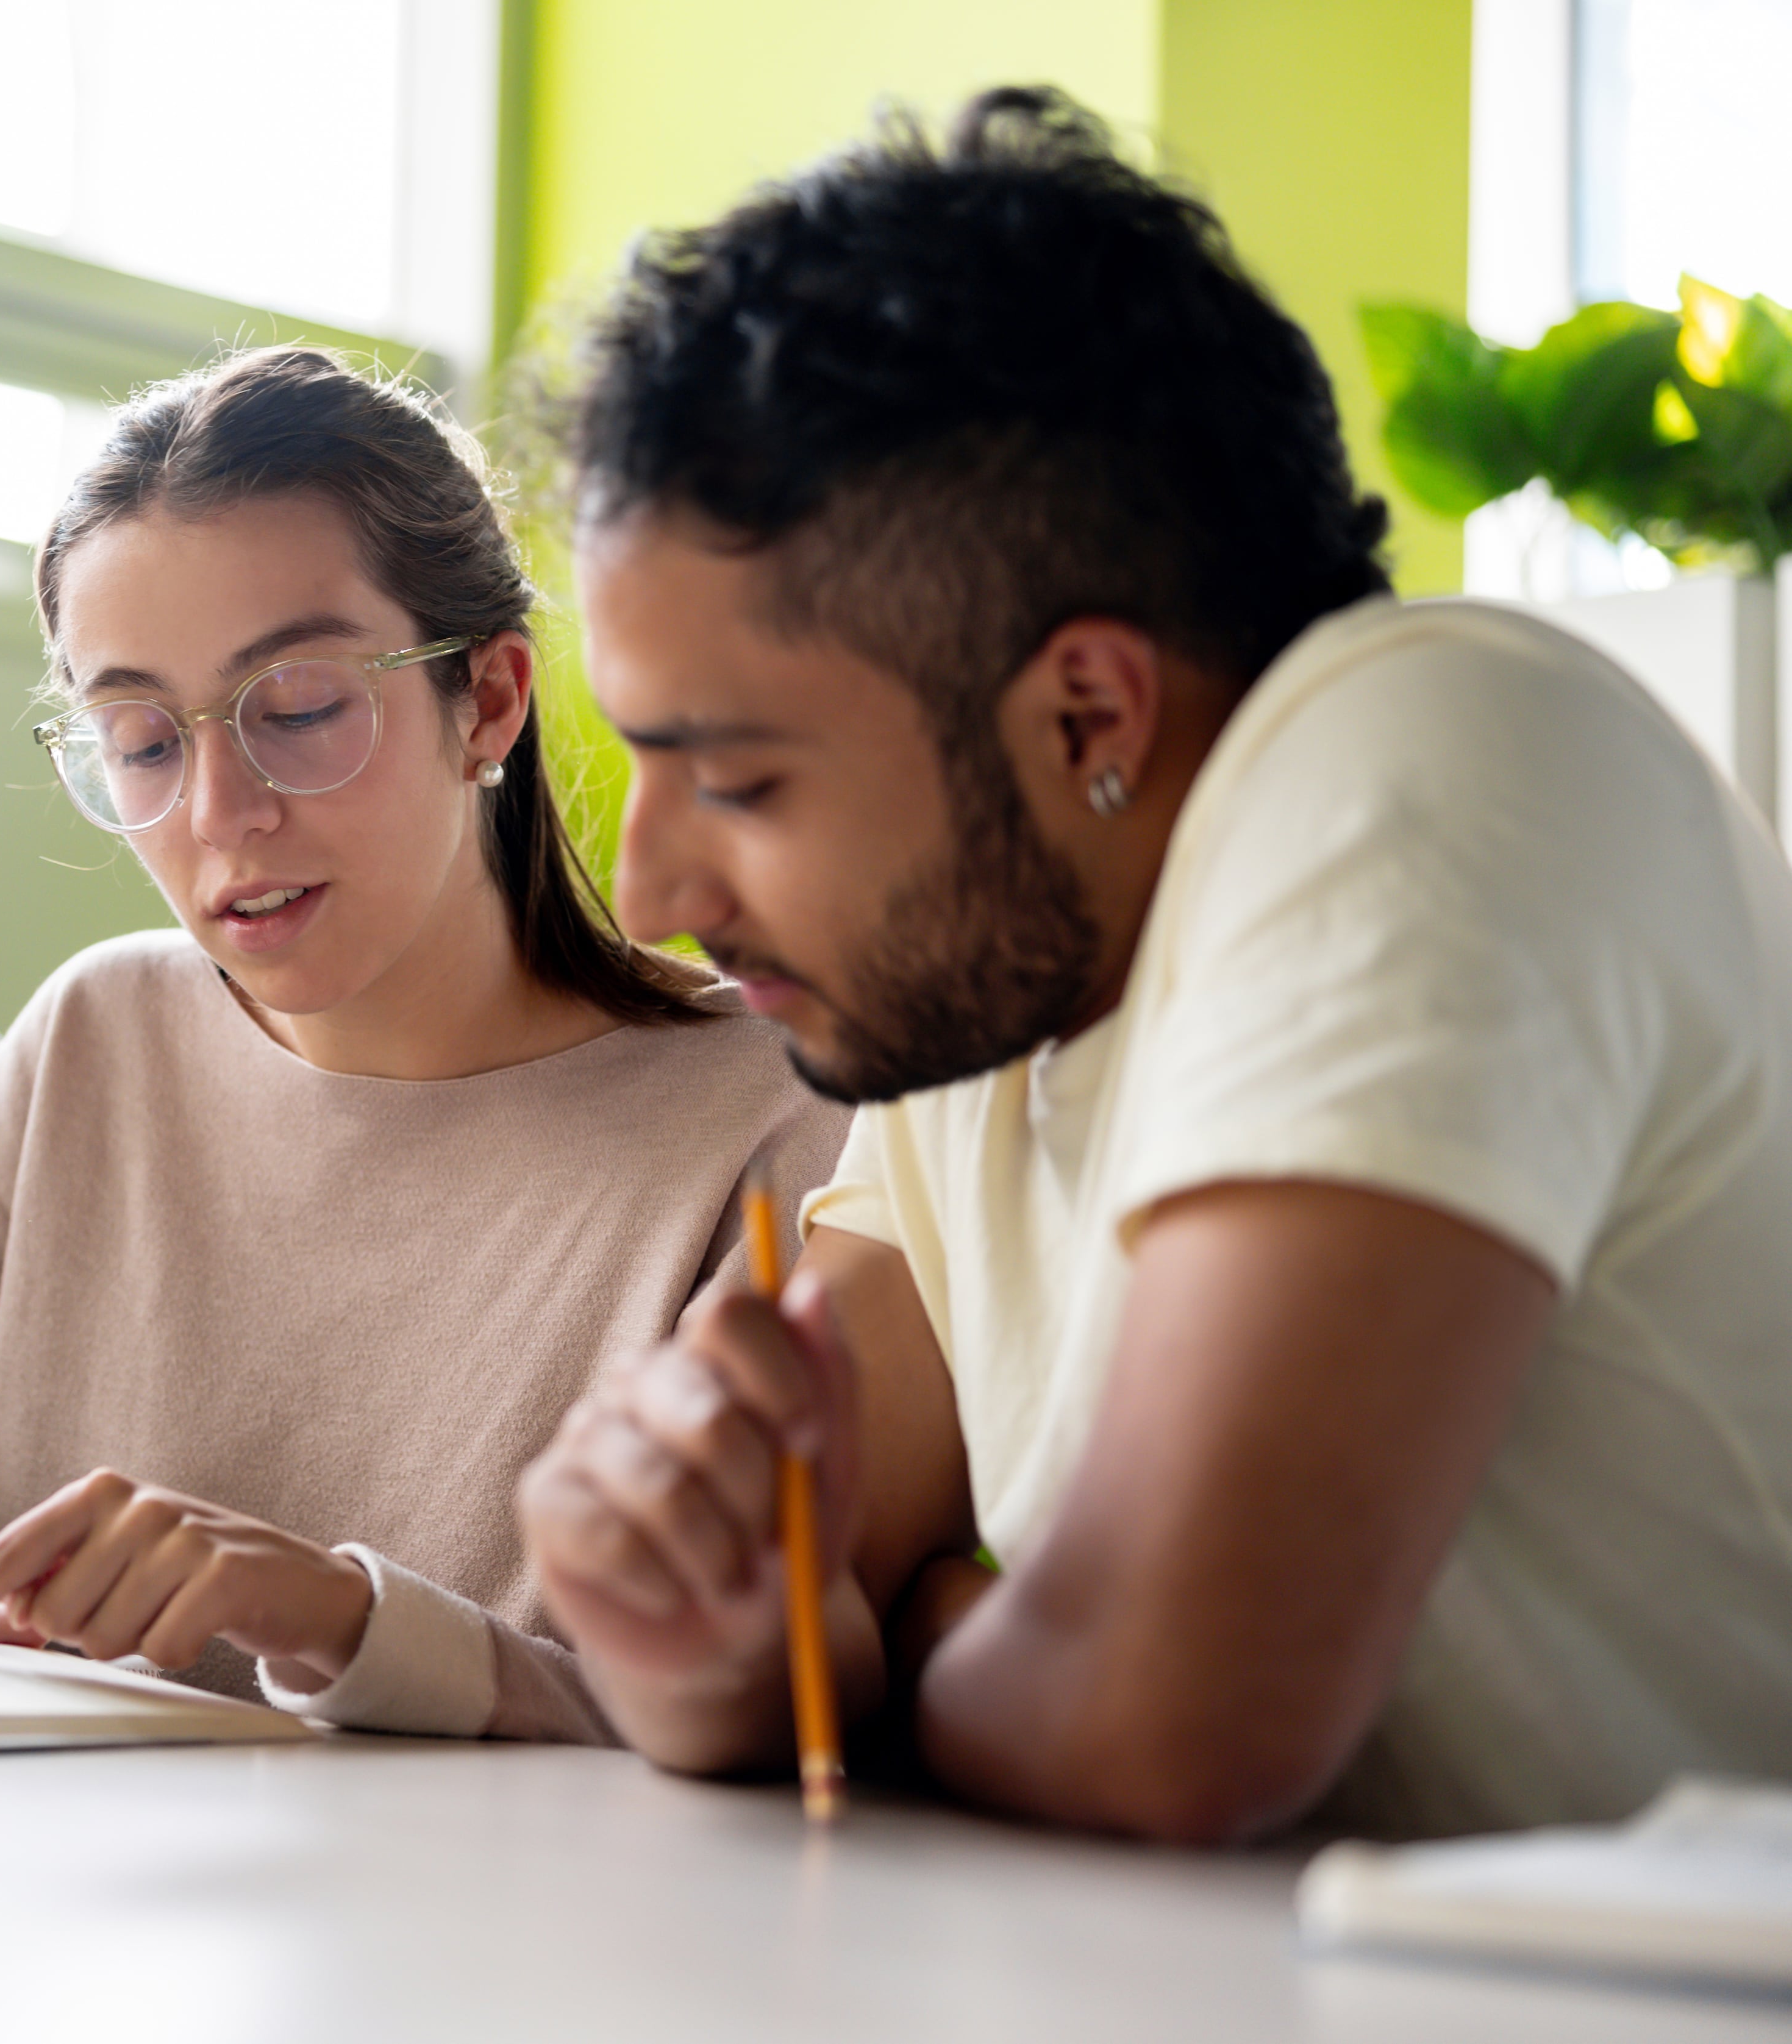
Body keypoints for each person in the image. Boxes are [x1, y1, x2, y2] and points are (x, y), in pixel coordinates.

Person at [515, 87, 1792, 1840]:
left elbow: (1161, 1719)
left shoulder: (1428, 751)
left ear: (1088, 712)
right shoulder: (984, 977)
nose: (650, 883)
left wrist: (925, 1645)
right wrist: (718, 1630)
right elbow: (799, 1607)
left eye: (738, 778)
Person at [0, 347, 846, 1738]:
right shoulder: (95, 1042)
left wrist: (338, 1618)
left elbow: (751, 1712)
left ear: (494, 703)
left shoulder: (774, 1116)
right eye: (142, 741)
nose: (221, 811)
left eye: (300, 709)